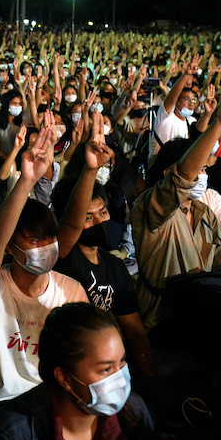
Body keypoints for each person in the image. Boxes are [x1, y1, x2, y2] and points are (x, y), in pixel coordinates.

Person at [0, 113, 88, 409]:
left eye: (49, 239)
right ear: (10, 247)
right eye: (34, 241)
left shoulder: (71, 292)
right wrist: (27, 180)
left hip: (46, 406)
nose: (45, 248)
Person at [132, 77, 221, 331]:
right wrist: (220, 123)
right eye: (198, 170)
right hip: (166, 316)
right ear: (168, 174)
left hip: (207, 305)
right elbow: (183, 175)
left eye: (204, 170)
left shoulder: (202, 210)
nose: (202, 177)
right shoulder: (152, 207)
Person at [0, 302, 156, 440]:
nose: (120, 378)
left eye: (122, 361)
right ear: (64, 377)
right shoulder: (14, 436)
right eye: (106, 369)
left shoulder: (135, 412)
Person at [52, 113, 156, 377]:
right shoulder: (61, 257)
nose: (99, 221)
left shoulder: (114, 268)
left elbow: (134, 331)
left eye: (103, 213)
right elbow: (71, 227)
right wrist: (90, 170)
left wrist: (150, 381)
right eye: (88, 216)